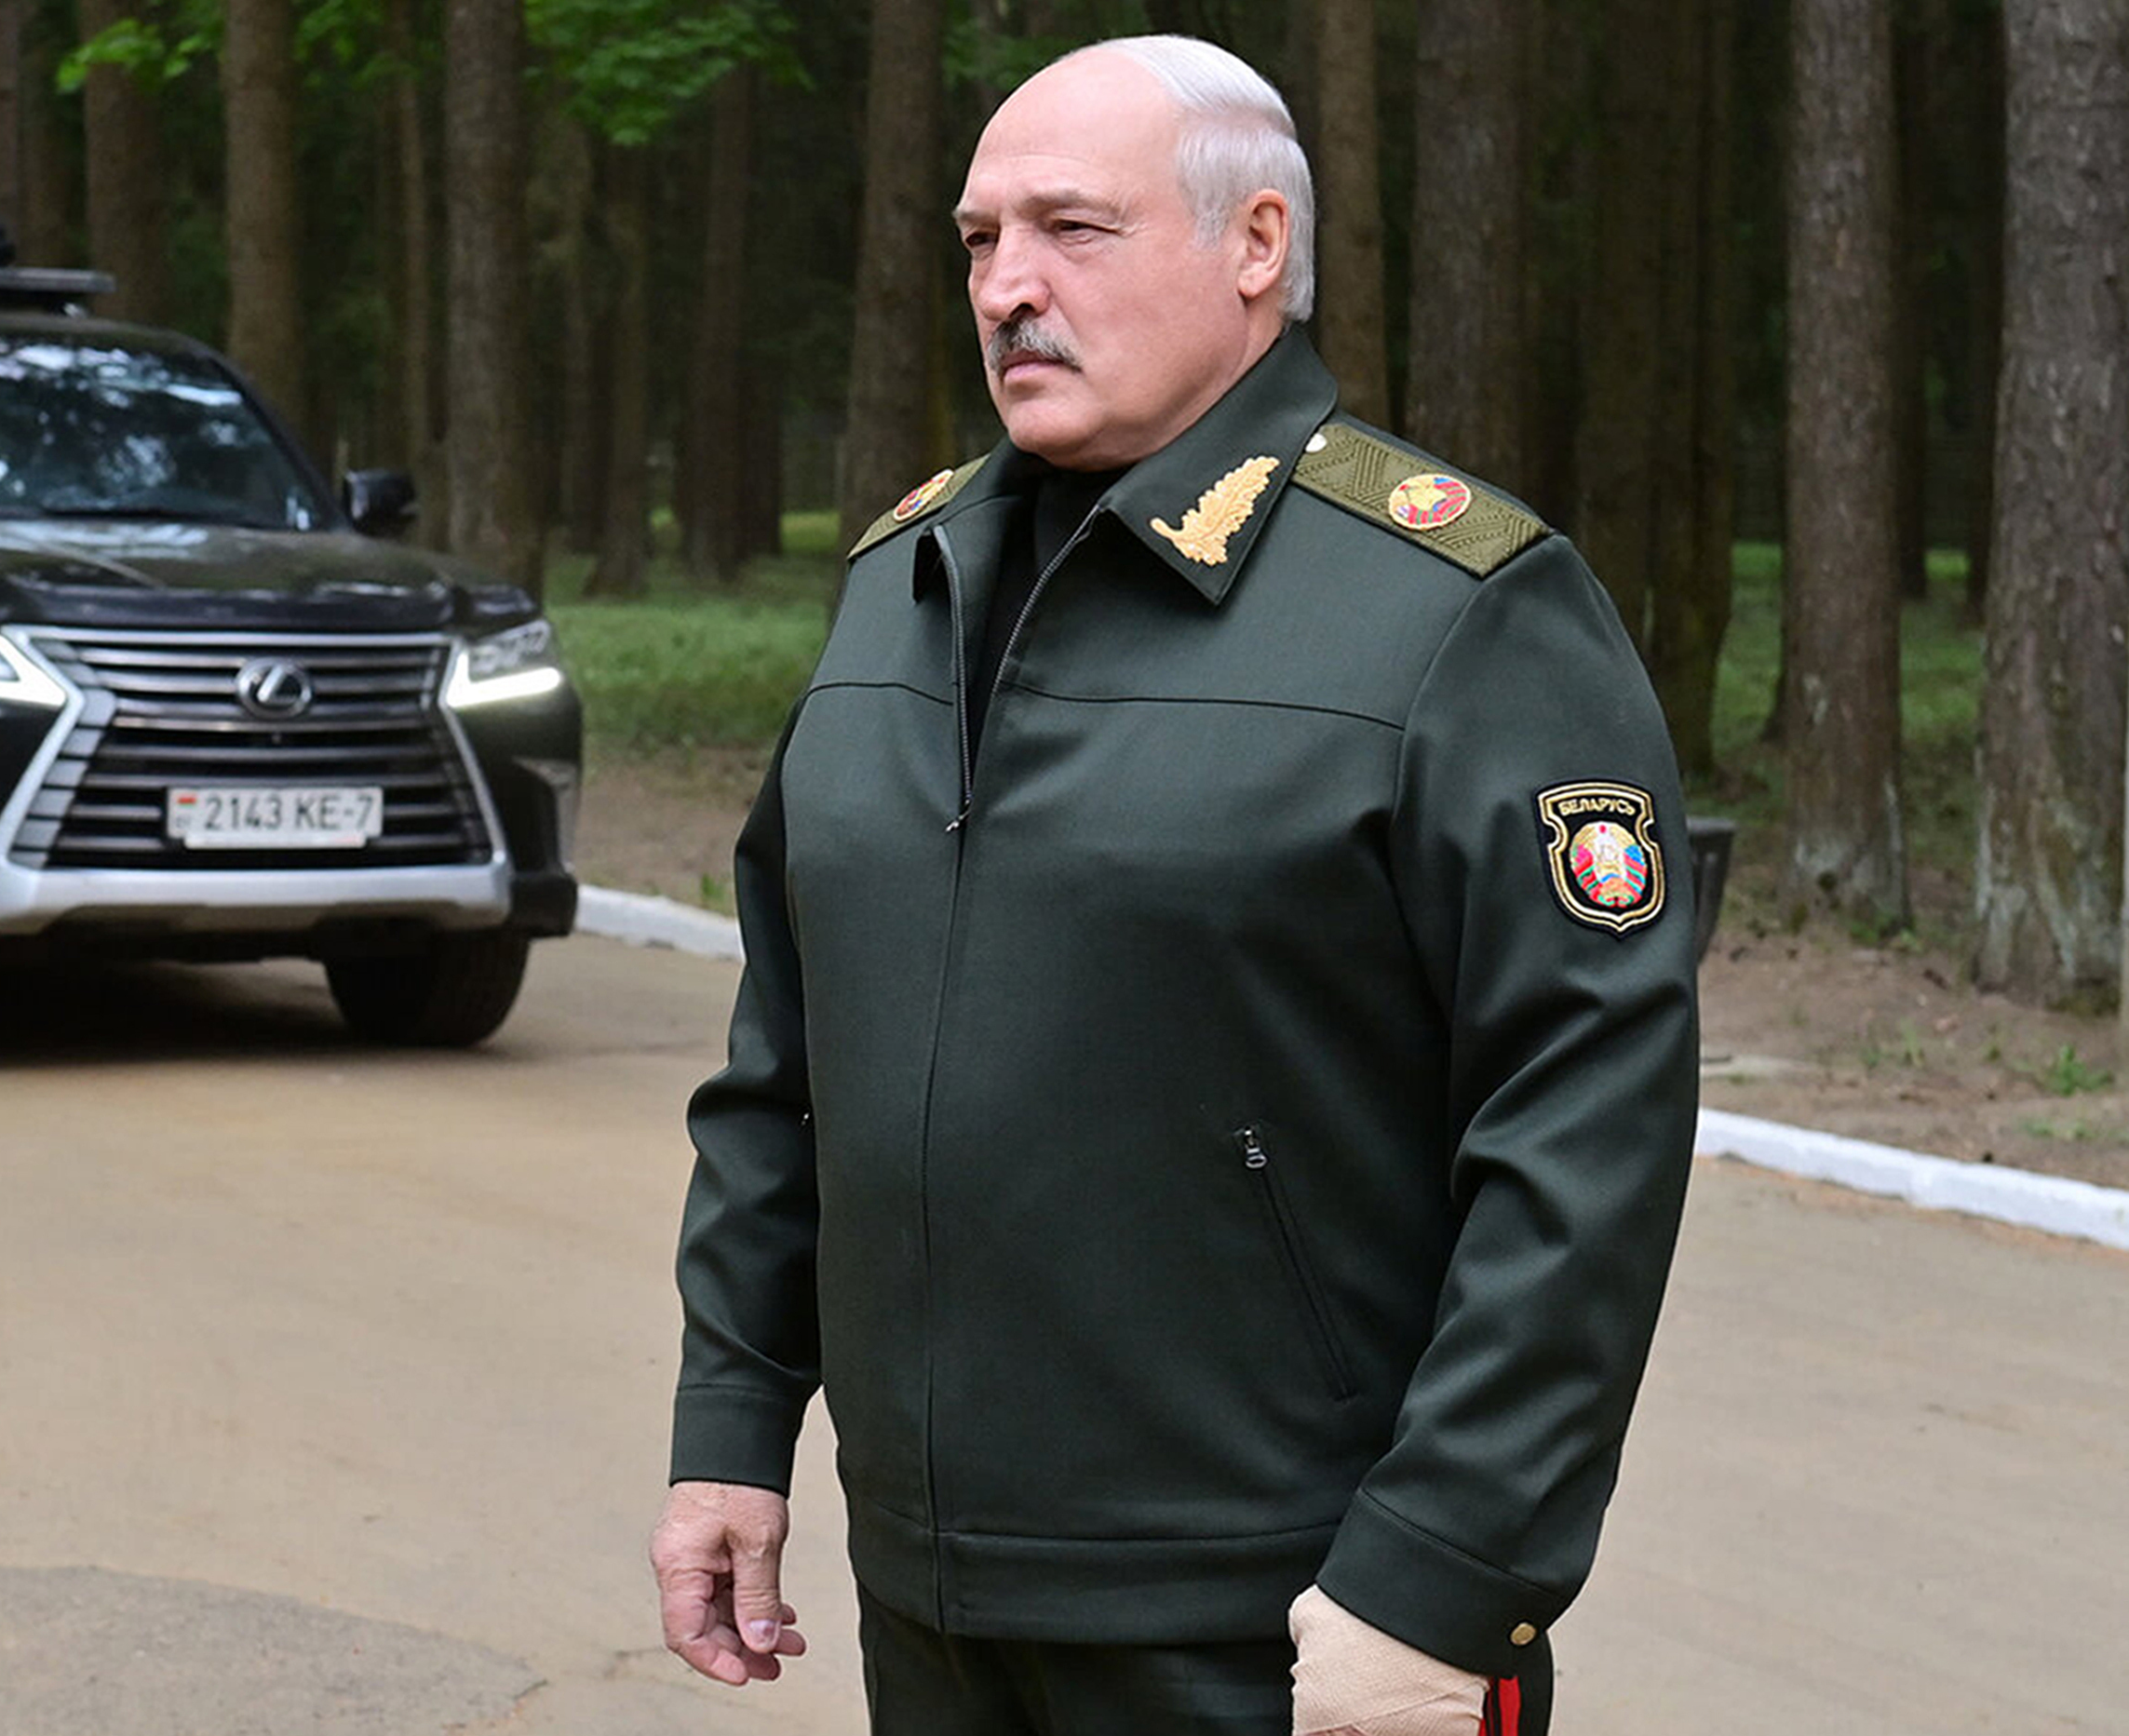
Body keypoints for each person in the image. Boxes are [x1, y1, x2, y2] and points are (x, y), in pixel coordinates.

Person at [650, 34, 1696, 1736]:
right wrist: (731, 1423)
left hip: (1284, 1618)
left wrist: (1444, 1572)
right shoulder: (899, 590)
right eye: (981, 241)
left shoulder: (1454, 611)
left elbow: (1586, 1136)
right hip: (936, 1602)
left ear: (1255, 246)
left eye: (1073, 229)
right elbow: (788, 1064)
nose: (1008, 288)